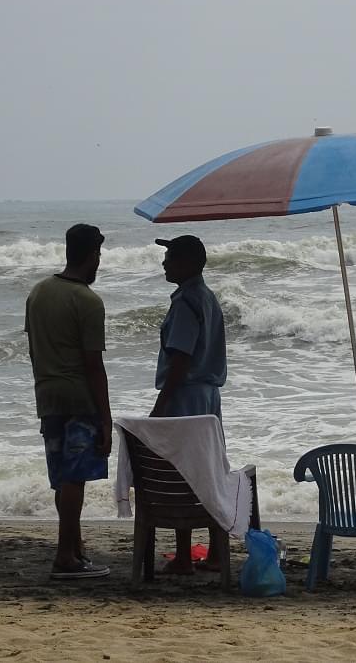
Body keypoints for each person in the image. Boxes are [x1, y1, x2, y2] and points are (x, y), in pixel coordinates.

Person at [25, 223, 113, 579]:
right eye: (99, 255)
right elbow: (94, 365)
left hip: (47, 395)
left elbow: (33, 348)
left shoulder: (39, 292)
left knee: (62, 479)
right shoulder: (88, 301)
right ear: (92, 255)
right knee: (76, 479)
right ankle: (65, 555)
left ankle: (74, 549)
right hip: (79, 398)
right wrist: (105, 420)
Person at [151, 234, 227, 573]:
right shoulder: (207, 297)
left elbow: (179, 359)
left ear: (188, 263)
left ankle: (183, 556)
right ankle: (215, 552)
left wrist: (159, 408)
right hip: (208, 396)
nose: (165, 262)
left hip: (186, 395)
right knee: (209, 470)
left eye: (171, 257)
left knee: (183, 472)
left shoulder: (186, 301)